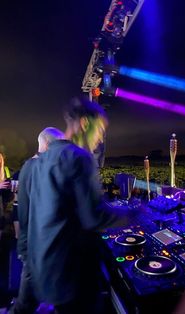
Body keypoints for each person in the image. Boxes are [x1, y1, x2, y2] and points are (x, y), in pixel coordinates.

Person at [11, 96, 127, 314]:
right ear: (85, 124)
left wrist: (29, 260)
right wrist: (137, 213)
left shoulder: (31, 166)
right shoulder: (79, 158)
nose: (101, 138)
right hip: (74, 275)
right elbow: (94, 217)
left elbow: (24, 221)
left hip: (43, 269)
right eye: (100, 130)